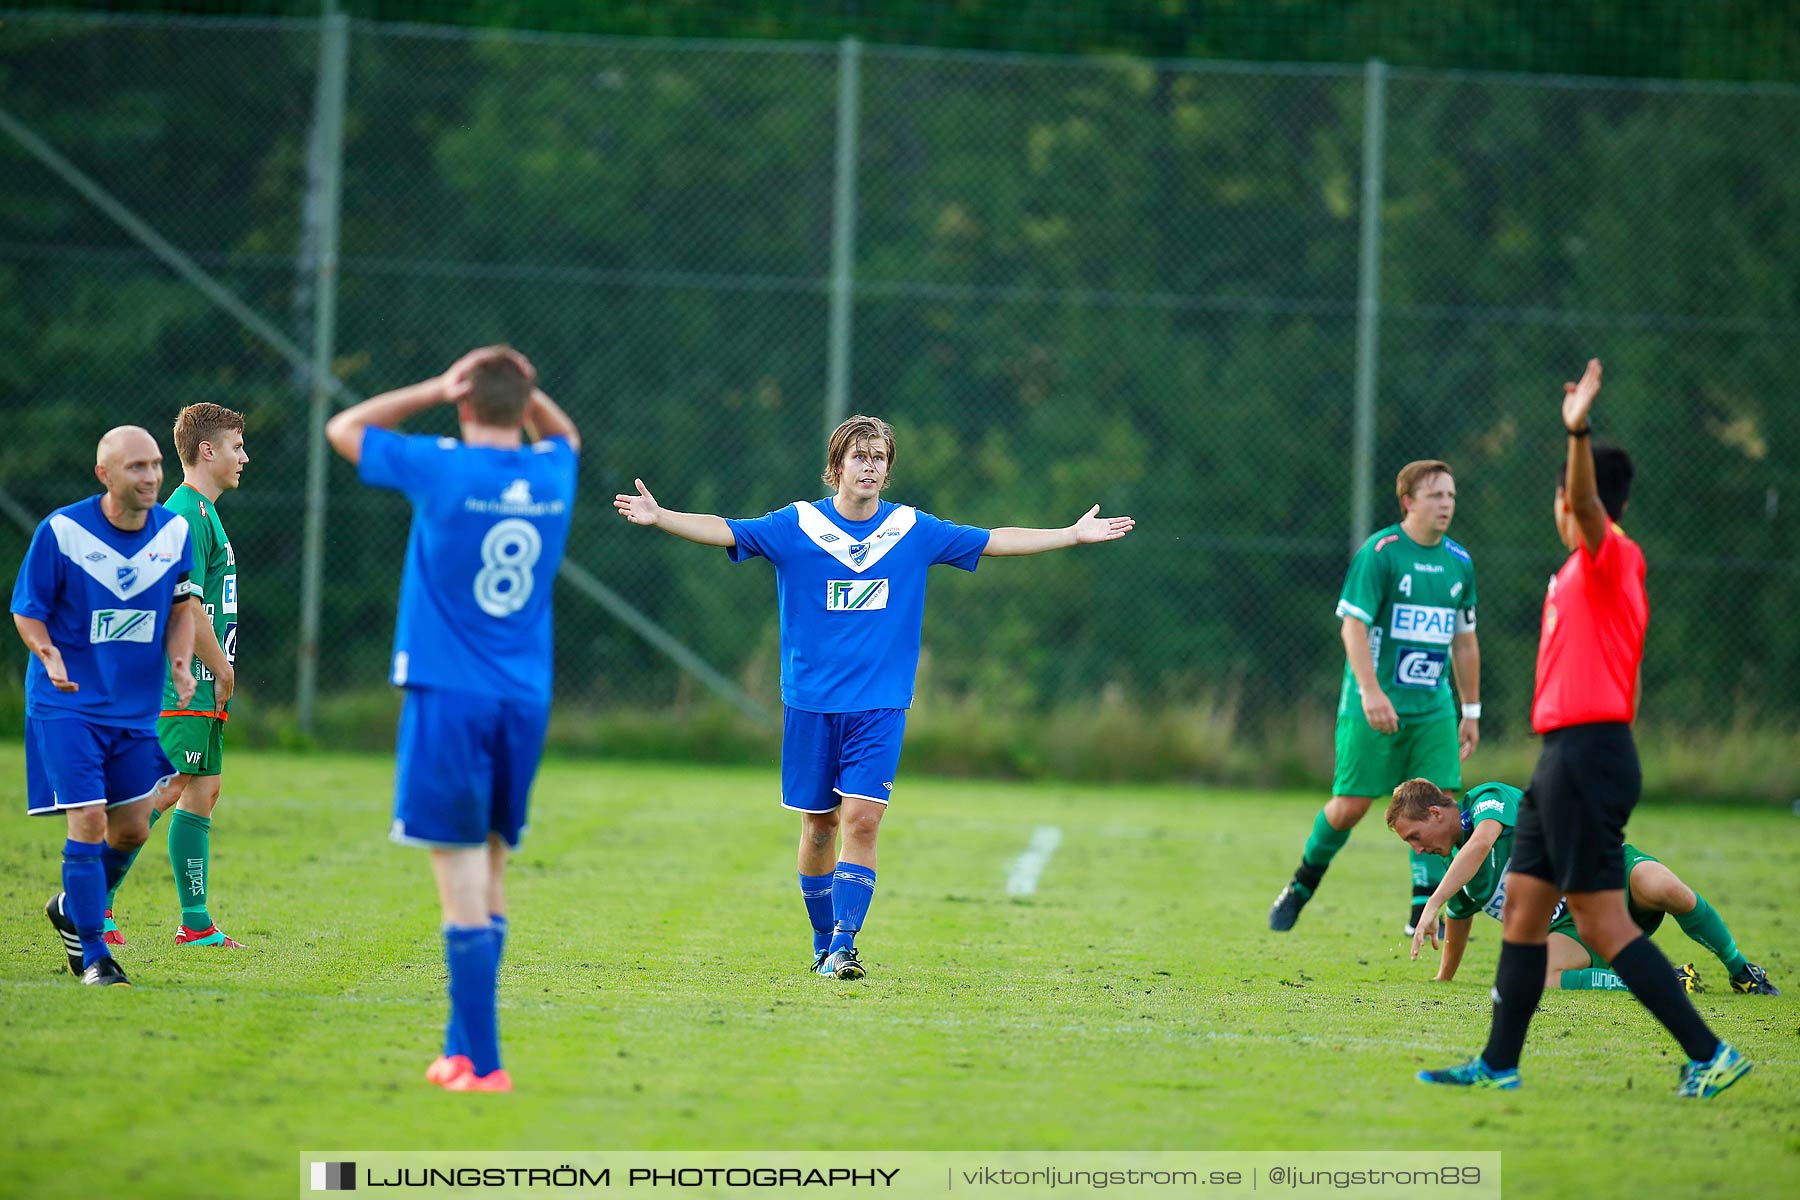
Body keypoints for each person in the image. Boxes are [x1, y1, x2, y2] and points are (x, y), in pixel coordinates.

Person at [614, 414, 1133, 981]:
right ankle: (820, 943)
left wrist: (1071, 534)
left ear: (888, 470)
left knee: (862, 821)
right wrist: (661, 517)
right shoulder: (799, 526)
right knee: (819, 828)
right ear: (837, 465)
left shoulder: (912, 529)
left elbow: (994, 539)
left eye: (879, 457)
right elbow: (728, 529)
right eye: (859, 455)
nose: (870, 465)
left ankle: (843, 945)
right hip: (811, 702)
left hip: (880, 704)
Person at [1418, 359, 1751, 1098]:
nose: (1558, 506)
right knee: (1526, 916)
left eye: (1567, 497)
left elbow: (1585, 501)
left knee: (1602, 923)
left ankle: (1709, 1052)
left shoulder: (1610, 558)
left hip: (1592, 754)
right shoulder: (1573, 570)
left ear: (1584, 500)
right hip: (1560, 758)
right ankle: (1499, 1065)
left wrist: (1576, 430)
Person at [326, 345, 580, 1092]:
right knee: (492, 864)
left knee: (461, 874)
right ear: (525, 406)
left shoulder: (441, 466)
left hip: (448, 694)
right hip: (523, 698)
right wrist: (526, 391)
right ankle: (461, 1051)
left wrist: (436, 385)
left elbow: (346, 426)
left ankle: (488, 1064)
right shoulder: (552, 472)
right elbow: (567, 437)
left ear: (465, 405)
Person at [11, 426, 197, 987]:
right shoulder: (63, 532)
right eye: (137, 467)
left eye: (156, 465)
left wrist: (183, 663)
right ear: (105, 474)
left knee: (135, 827)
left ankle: (72, 906)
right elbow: (28, 609)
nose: (151, 477)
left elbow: (182, 607)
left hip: (131, 708)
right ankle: (94, 953)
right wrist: (48, 653)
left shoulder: (175, 532)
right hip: (66, 702)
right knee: (90, 817)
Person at [1269, 460, 1480, 934]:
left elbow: (1464, 642)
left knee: (1440, 801)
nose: (1446, 504)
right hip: (1373, 703)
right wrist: (1370, 691)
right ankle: (1301, 885)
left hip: (1432, 707)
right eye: (1435, 496)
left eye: (1450, 495)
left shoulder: (1460, 563)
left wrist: (1471, 710)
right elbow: (1353, 626)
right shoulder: (1381, 553)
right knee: (1351, 807)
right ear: (1408, 502)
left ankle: (1422, 910)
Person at [1388, 778, 1779, 994]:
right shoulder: (1455, 867)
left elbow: (1482, 843)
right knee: (1536, 977)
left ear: (1436, 812)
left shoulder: (1486, 801)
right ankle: (1662, 977)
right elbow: (1459, 922)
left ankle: (1742, 971)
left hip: (1608, 873)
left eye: (1414, 837)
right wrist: (1444, 978)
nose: (1418, 848)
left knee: (1668, 890)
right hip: (1573, 927)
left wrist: (1431, 902)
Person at [103, 404, 249, 948]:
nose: (244, 456)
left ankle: (196, 922)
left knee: (202, 790)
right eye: (236, 446)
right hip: (182, 679)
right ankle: (92, 902)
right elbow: (182, 604)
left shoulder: (205, 513)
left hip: (206, 682)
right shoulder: (185, 513)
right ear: (206, 450)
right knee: (161, 790)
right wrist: (219, 665)